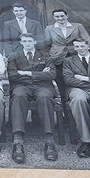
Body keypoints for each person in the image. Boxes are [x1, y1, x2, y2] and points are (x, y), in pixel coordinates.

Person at [7, 33, 58, 163]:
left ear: (34, 42)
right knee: (18, 96)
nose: (27, 43)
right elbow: (12, 76)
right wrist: (40, 73)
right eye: (24, 41)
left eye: (30, 41)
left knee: (45, 97)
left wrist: (27, 73)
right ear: (21, 42)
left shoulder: (45, 55)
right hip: (21, 86)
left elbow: (52, 75)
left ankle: (49, 140)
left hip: (43, 86)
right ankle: (18, 141)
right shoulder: (14, 56)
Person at [44, 9, 90, 108]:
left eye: (62, 16)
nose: (60, 18)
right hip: (57, 60)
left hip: (75, 59)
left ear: (67, 16)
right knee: (62, 87)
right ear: (54, 18)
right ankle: (67, 116)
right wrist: (47, 62)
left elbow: (88, 42)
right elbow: (46, 46)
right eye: (57, 17)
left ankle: (83, 109)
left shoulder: (77, 26)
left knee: (77, 83)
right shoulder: (49, 29)